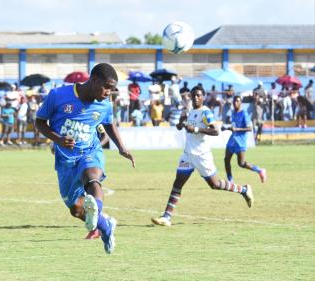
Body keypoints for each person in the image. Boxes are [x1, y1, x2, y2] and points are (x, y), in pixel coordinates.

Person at [35, 63, 135, 254]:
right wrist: (58, 139)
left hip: (89, 151)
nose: (108, 92)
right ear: (94, 79)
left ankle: (96, 207)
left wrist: (122, 147)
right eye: (106, 86)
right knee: (76, 210)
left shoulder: (104, 104)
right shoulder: (58, 96)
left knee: (92, 179)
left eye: (112, 89)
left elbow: (109, 125)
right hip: (65, 160)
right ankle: (105, 226)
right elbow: (39, 122)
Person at [151, 85, 254, 227]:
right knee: (178, 183)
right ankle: (166, 217)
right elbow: (186, 127)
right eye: (193, 95)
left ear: (203, 97)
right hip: (188, 154)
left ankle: (243, 189)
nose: (195, 97)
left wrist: (197, 129)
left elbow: (215, 131)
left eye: (198, 95)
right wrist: (181, 124)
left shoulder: (206, 112)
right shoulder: (191, 111)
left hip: (202, 155)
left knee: (215, 184)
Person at [223, 96, 267, 183]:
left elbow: (250, 128)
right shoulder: (233, 113)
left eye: (237, 101)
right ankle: (230, 180)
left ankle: (260, 170)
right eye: (234, 101)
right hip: (232, 140)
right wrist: (226, 128)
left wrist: (237, 129)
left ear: (240, 103)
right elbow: (234, 126)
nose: (235, 103)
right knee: (226, 160)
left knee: (241, 163)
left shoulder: (244, 114)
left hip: (240, 142)